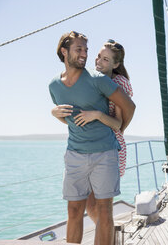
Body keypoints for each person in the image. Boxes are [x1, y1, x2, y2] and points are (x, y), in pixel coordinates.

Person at [49, 31, 135, 245]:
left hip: (105, 152)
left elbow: (129, 107)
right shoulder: (54, 86)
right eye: (80, 49)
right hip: (75, 155)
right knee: (75, 210)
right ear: (64, 51)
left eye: (87, 50)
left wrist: (118, 130)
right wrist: (54, 114)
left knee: (104, 211)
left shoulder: (100, 80)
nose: (86, 55)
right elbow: (70, 118)